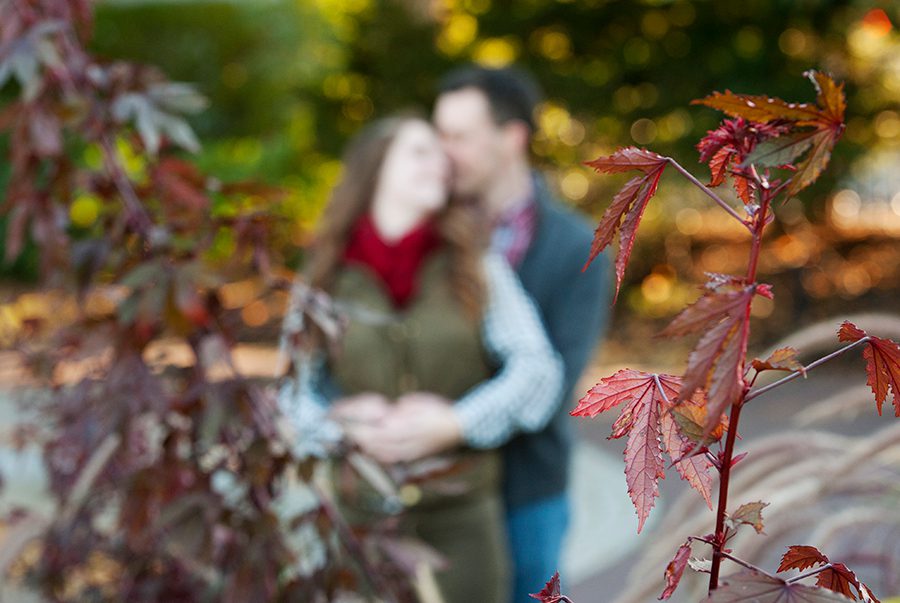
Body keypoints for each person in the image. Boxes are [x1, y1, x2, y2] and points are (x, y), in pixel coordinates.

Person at [277, 115, 564, 603]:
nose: (440, 164)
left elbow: (537, 369)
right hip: (360, 518)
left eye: (442, 155)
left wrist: (457, 422)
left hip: (462, 516)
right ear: (375, 168)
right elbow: (290, 392)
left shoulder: (475, 263)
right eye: (419, 151)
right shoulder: (324, 275)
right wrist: (340, 429)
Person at [432, 66, 612, 602]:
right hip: (437, 488)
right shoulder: (426, 233)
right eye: (438, 135)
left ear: (512, 138)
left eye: (458, 137)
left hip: (527, 490)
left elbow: (554, 384)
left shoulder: (577, 246)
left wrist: (444, 419)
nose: (443, 152)